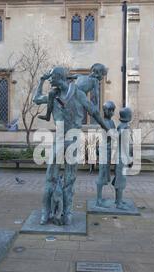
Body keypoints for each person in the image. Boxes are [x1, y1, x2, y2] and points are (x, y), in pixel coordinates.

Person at [33, 66, 108, 225]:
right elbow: (36, 99)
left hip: (68, 140)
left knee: (63, 179)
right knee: (57, 179)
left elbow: (94, 112)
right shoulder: (59, 95)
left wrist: (107, 129)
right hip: (66, 140)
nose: (50, 80)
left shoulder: (72, 94)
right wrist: (40, 81)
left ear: (58, 77)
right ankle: (53, 214)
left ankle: (61, 214)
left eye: (51, 78)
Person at [38, 63, 107, 121]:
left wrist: (96, 106)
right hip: (71, 91)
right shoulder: (80, 76)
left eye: (96, 72)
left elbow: (96, 93)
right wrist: (59, 76)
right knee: (52, 93)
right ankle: (48, 115)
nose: (93, 73)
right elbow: (69, 77)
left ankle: (65, 101)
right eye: (93, 71)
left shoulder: (94, 81)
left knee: (72, 84)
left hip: (77, 93)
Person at [95, 101, 116, 207]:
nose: (112, 112)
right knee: (101, 174)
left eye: (113, 110)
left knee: (106, 175)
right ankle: (98, 199)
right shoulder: (103, 122)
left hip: (109, 150)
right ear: (105, 111)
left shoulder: (112, 122)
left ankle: (101, 198)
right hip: (103, 150)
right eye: (110, 110)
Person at [113, 107, 133, 210]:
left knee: (118, 179)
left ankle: (117, 200)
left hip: (118, 156)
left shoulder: (120, 126)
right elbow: (126, 146)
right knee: (121, 180)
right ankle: (119, 203)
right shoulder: (126, 128)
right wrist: (130, 158)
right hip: (122, 157)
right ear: (129, 116)